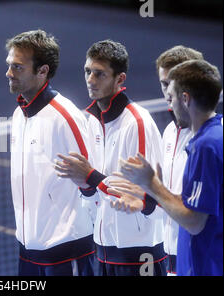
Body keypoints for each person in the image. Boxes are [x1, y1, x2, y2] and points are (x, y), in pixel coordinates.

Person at [54, 40, 166, 276]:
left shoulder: (137, 123)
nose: (90, 80)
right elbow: (95, 193)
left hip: (139, 252)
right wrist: (84, 185)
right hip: (103, 248)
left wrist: (91, 177)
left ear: (120, 79)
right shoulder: (89, 120)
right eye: (88, 71)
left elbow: (147, 197)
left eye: (99, 74)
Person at [111, 59, 223, 276]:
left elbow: (194, 221)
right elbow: (198, 205)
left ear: (185, 99)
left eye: (171, 97)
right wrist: (154, 191)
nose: (169, 105)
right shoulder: (213, 137)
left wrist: (152, 184)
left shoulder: (206, 146)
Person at [6, 29, 95, 276]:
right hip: (28, 248)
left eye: (18, 67)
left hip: (66, 249)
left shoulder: (66, 117)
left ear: (42, 71)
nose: (9, 73)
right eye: (9, 65)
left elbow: (93, 182)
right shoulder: (18, 115)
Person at [155, 45, 203, 275]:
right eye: (164, 84)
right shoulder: (168, 133)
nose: (168, 93)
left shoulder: (213, 136)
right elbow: (170, 195)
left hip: (203, 257)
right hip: (171, 256)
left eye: (173, 85)